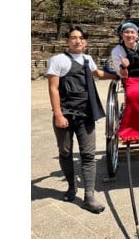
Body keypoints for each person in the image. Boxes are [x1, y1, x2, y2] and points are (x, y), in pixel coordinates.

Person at [46, 25, 116, 213]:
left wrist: (117, 76)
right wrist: (58, 114)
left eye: (82, 38)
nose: (78, 41)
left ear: (86, 41)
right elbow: (53, 88)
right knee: (66, 152)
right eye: (74, 37)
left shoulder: (87, 59)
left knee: (88, 155)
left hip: (86, 114)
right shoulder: (57, 60)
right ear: (67, 40)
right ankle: (71, 186)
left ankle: (89, 196)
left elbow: (98, 74)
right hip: (65, 114)